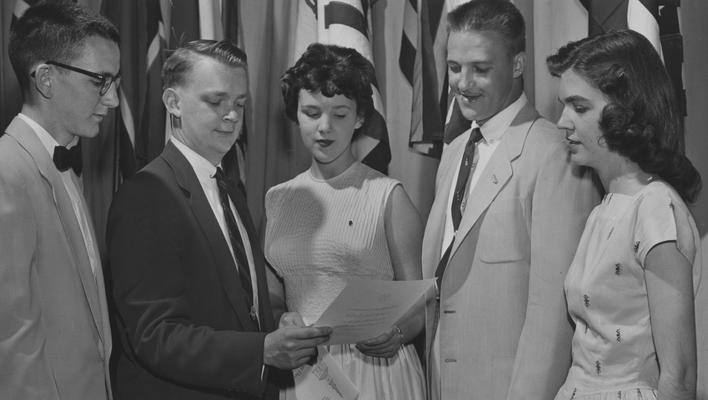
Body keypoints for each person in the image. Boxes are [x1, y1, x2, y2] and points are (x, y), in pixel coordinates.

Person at [106, 40, 331, 400]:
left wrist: (276, 326)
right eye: (216, 102)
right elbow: (155, 336)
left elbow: (241, 308)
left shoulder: (228, 188)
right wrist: (262, 350)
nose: (231, 116)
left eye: (240, 104)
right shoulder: (146, 195)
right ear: (173, 103)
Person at [421, 1, 602, 399]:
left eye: (480, 69)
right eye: (454, 67)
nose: (462, 83)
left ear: (518, 64)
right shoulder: (453, 152)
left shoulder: (554, 154)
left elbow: (554, 315)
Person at [264, 43, 426, 399]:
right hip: (305, 371)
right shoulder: (277, 198)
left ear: (360, 118)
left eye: (339, 114)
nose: (324, 127)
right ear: (296, 114)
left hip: (374, 371)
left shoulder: (388, 196)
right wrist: (282, 319)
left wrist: (396, 335)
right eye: (311, 112)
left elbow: (420, 303)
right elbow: (274, 295)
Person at [547, 29, 702, 400]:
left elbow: (678, 376)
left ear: (625, 111)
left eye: (579, 107)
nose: (562, 122)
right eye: (563, 106)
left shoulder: (654, 208)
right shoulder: (607, 205)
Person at [0, 3, 120, 399]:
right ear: (46, 79)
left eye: (115, 81)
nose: (114, 99)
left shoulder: (62, 163)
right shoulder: (7, 171)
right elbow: (12, 345)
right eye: (100, 81)